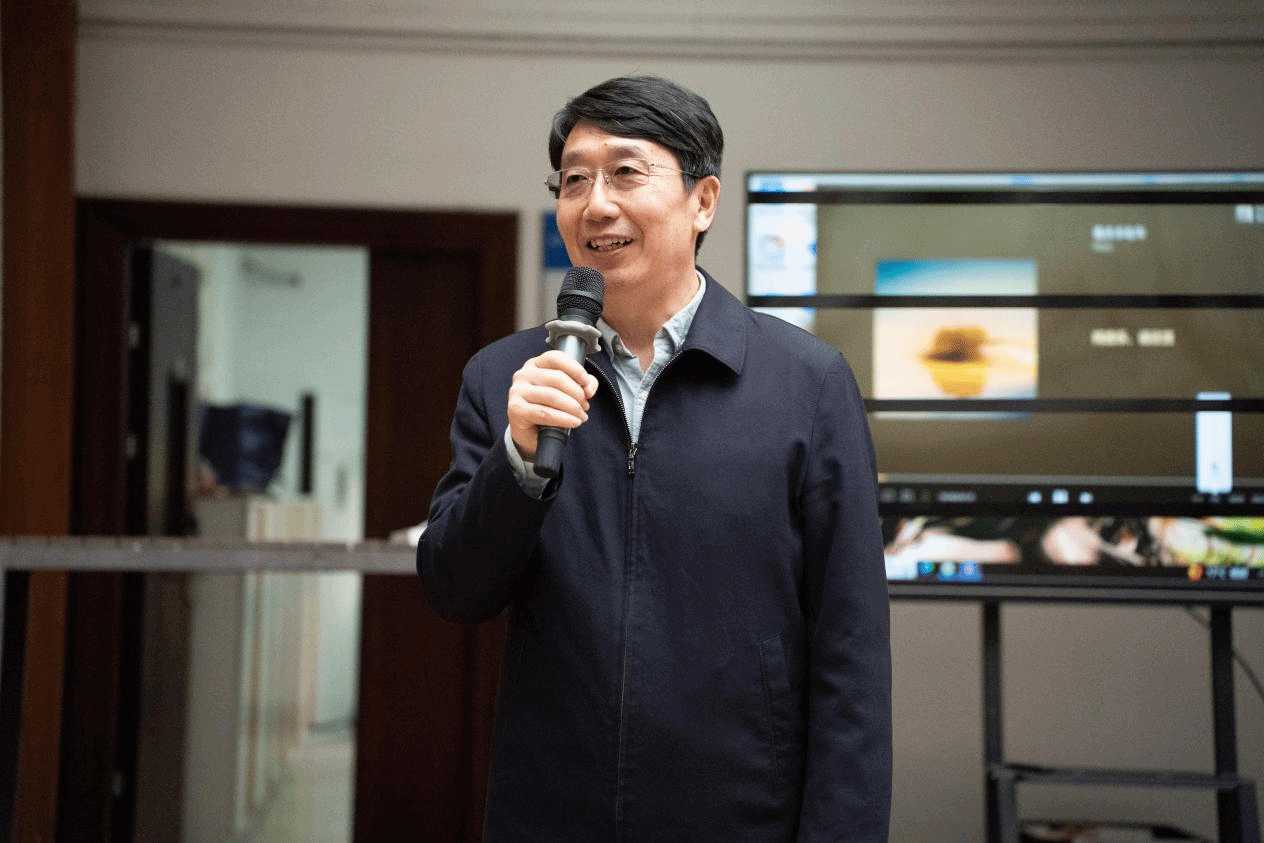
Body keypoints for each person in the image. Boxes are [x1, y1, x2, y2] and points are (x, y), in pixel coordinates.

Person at [418, 75, 891, 841]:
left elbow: (852, 649)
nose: (595, 204)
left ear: (703, 200)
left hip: (742, 819)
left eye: (626, 172)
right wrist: (519, 460)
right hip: (548, 817)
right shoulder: (506, 378)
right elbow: (454, 588)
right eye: (574, 179)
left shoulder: (805, 384)